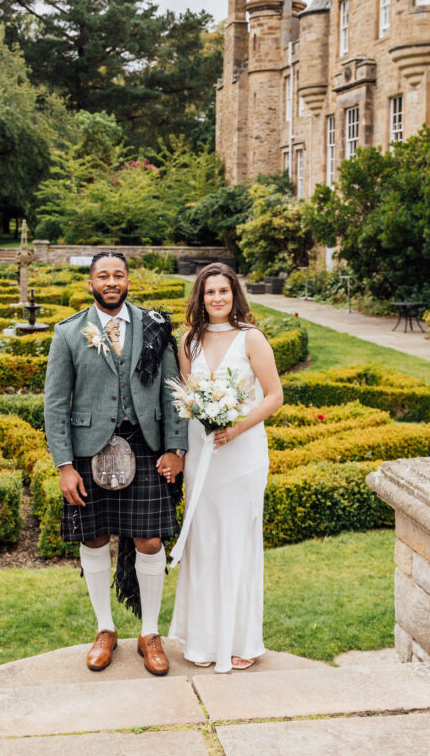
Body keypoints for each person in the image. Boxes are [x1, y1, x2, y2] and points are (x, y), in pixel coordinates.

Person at [44, 251, 187, 676]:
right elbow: (55, 404)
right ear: (91, 283)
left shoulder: (155, 326)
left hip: (146, 447)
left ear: (128, 280)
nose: (111, 281)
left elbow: (172, 389)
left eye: (118, 275)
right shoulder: (69, 333)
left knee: (150, 542)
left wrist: (175, 449)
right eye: (103, 275)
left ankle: (149, 632)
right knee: (94, 539)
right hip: (90, 451)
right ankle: (105, 629)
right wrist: (64, 465)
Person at [168, 262, 283, 673]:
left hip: (243, 453)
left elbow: (273, 396)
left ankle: (242, 641)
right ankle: (202, 640)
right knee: (205, 540)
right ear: (199, 298)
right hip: (203, 452)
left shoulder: (252, 338)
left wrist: (236, 428)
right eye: (209, 292)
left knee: (237, 540)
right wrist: (182, 450)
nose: (217, 298)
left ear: (235, 295)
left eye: (224, 291)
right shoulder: (189, 342)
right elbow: (186, 400)